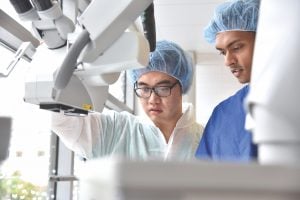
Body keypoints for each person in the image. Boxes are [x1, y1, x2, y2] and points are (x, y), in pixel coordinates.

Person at [51, 40, 204, 160]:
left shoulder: (206, 138)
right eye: (144, 89)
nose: (152, 99)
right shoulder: (115, 129)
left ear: (182, 86)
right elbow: (62, 122)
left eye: (162, 88)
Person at [195, 0, 259, 161]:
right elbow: (203, 177)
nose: (228, 61)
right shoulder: (222, 115)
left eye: (236, 48)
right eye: (223, 52)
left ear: (264, 41)